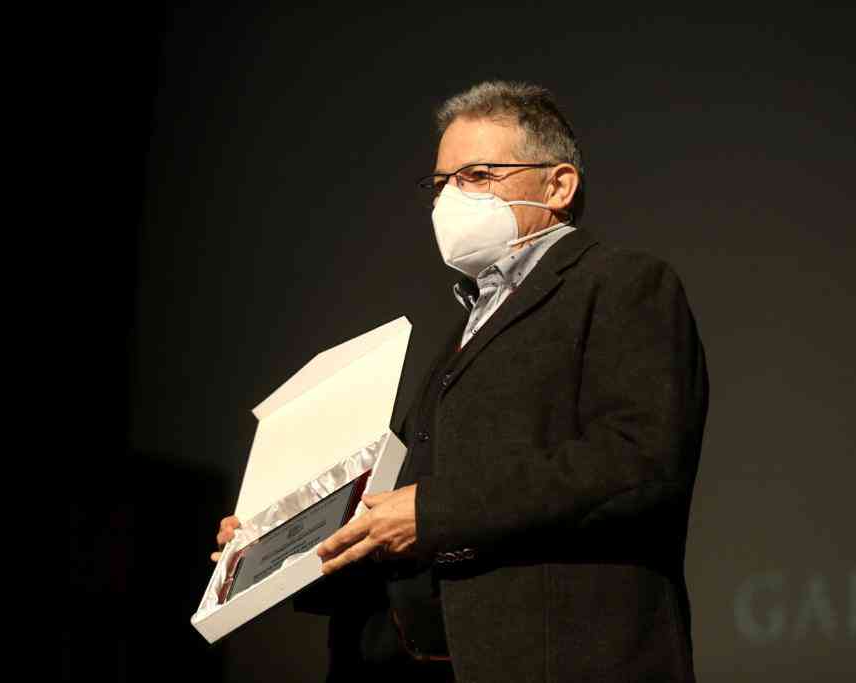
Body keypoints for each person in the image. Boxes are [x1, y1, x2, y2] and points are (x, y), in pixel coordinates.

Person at [213, 80, 709, 682]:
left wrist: (433, 511)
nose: (451, 198)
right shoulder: (465, 328)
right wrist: (284, 546)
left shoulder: (622, 284)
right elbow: (398, 520)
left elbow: (638, 464)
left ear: (558, 186)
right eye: (441, 182)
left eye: (476, 176)